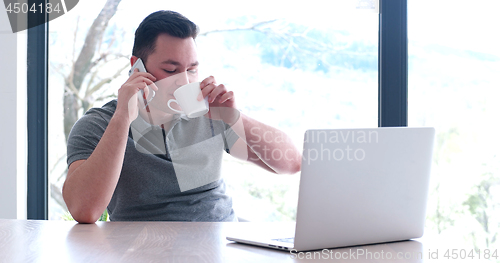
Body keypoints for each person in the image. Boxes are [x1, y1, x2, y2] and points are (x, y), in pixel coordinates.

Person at [63, 10, 301, 223]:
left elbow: (291, 164)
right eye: (170, 70)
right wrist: (123, 117)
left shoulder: (208, 113)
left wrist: (234, 117)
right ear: (137, 67)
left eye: (192, 69)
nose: (185, 81)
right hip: (142, 250)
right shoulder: (99, 125)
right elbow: (85, 211)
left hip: (221, 245)